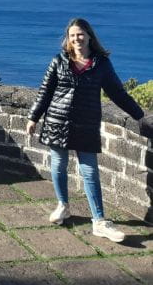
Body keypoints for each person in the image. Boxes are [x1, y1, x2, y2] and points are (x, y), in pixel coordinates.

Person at [26, 18, 145, 242]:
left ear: (89, 36)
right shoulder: (59, 61)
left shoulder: (101, 64)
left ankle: (99, 221)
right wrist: (33, 117)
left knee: (89, 171)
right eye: (72, 35)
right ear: (68, 39)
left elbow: (118, 93)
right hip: (57, 121)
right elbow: (45, 91)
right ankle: (63, 206)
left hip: (86, 124)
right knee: (58, 165)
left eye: (80, 34)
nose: (76, 39)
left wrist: (140, 115)